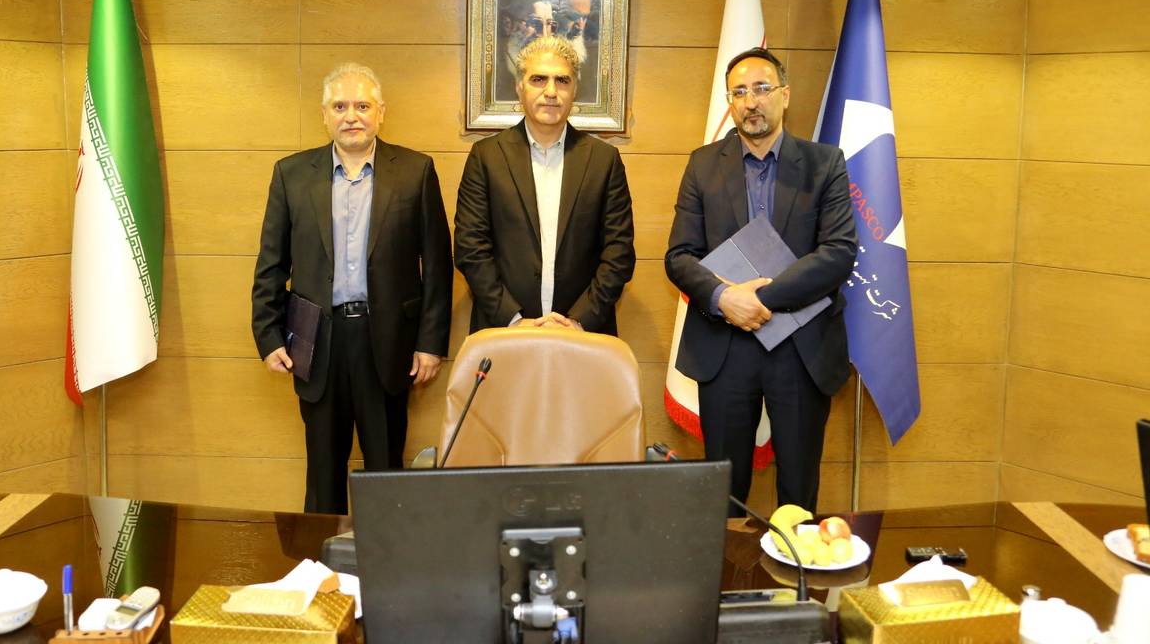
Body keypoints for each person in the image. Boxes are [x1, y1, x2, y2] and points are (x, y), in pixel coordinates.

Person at [251, 62, 452, 514]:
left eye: (362, 105)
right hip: (316, 342)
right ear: (324, 115)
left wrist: (430, 344)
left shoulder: (415, 171)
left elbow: (438, 266)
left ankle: (389, 554)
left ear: (381, 112)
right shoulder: (291, 174)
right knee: (323, 476)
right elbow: (271, 265)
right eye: (340, 107)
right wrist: (268, 336)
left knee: (384, 474)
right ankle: (322, 560)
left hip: (387, 341)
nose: (352, 116)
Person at [664, 47, 856, 513]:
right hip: (724, 348)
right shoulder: (702, 164)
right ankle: (728, 565)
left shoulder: (824, 163)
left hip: (801, 349)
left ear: (785, 95)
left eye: (762, 88)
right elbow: (679, 256)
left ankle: (794, 565)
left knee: (798, 497)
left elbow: (838, 252)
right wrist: (723, 298)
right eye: (739, 92)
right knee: (725, 500)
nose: (751, 102)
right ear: (730, 102)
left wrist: (757, 298)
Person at [455, 35, 635, 334]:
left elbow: (619, 252)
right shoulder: (486, 157)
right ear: (519, 87)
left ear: (574, 90)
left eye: (562, 81)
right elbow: (470, 248)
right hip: (504, 331)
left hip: (582, 333)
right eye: (538, 79)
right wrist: (513, 319)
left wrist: (578, 320)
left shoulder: (604, 160)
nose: (551, 92)